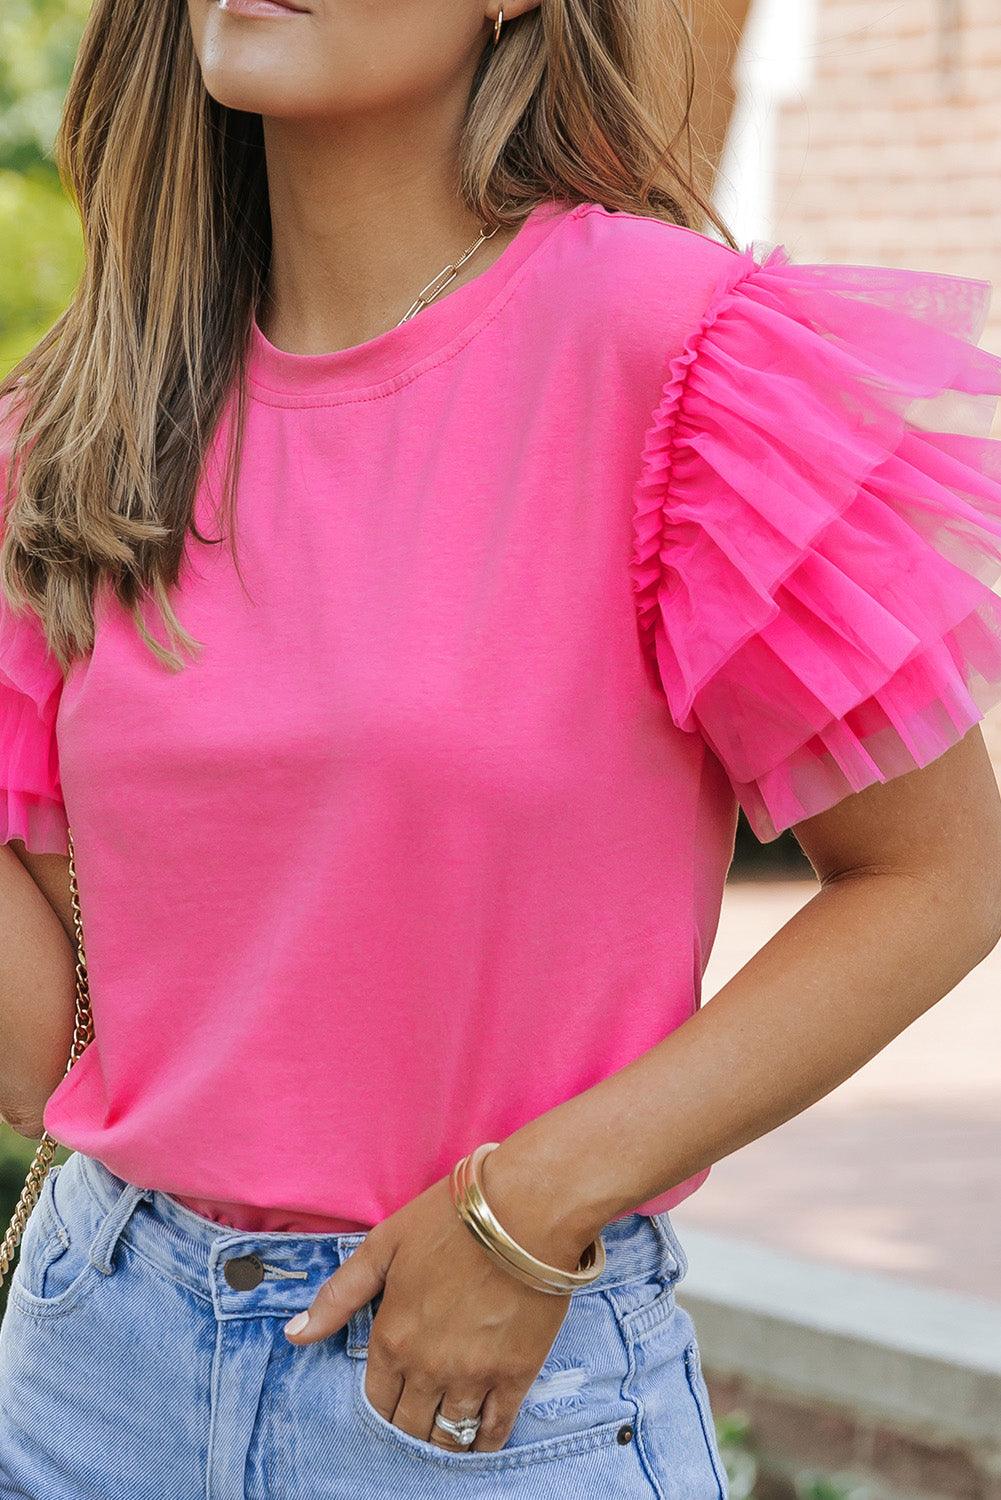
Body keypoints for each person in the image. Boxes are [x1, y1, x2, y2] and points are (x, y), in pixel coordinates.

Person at [2, 2, 1001, 1496]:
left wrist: (531, 1205)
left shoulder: (673, 354)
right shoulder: (84, 425)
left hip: (472, 1388)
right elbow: (58, 1053)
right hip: (93, 1368)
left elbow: (937, 875)